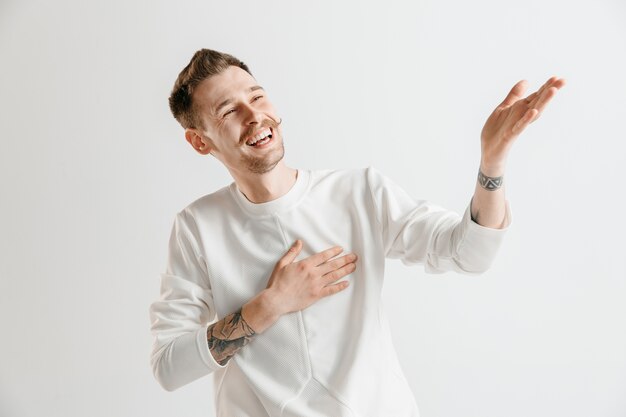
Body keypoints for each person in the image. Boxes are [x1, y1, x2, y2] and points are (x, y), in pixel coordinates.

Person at [149, 48, 565, 416]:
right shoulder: (196, 228)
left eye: (256, 96)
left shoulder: (359, 192)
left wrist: (492, 163)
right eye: (228, 110)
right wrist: (272, 304)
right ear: (199, 142)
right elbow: (168, 366)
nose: (254, 115)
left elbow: (471, 253)